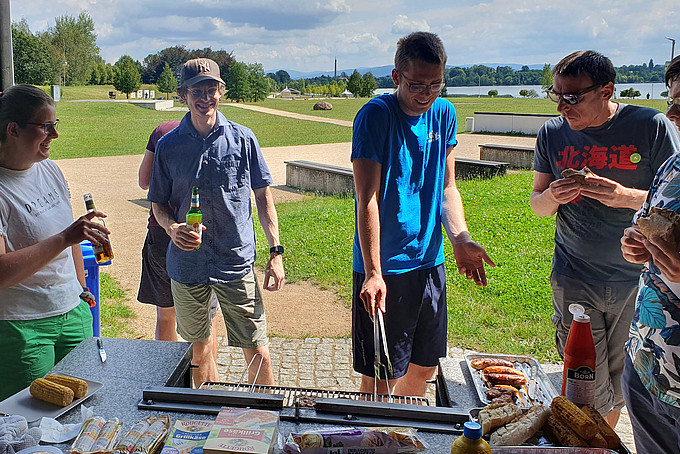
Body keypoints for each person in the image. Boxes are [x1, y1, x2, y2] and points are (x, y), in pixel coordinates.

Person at [530, 50, 680, 427]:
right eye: (557, 95)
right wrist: (553, 197)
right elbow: (538, 205)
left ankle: (598, 443)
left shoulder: (652, 125)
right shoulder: (552, 133)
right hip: (573, 273)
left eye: (573, 97)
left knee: (620, 379)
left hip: (637, 280)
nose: (563, 106)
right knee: (582, 380)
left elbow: (673, 201)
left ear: (607, 90)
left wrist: (622, 196)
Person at [351, 32, 495, 397]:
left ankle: (400, 433)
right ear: (397, 77)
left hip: (430, 261)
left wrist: (460, 237)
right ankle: (375, 437)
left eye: (435, 84)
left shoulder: (445, 113)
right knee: (382, 375)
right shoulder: (375, 116)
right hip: (387, 267)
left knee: (425, 367)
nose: (426, 94)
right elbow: (366, 199)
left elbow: (447, 188)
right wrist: (373, 272)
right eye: (416, 84)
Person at [148, 58, 285, 386]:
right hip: (187, 266)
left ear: (221, 91)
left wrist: (276, 253)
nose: (204, 97)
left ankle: (265, 417)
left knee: (258, 351)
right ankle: (204, 419)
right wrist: (171, 227)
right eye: (197, 90)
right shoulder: (168, 146)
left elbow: (264, 198)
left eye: (211, 89)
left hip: (234, 262)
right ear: (184, 94)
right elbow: (158, 204)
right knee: (199, 351)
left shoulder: (242, 138)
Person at [0, 85, 109, 400]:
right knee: (29, 424)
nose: (54, 135)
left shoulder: (49, 169)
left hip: (72, 312)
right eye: (46, 127)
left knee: (84, 405)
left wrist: (81, 286)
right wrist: (65, 237)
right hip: (22, 329)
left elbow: (72, 235)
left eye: (55, 126)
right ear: (13, 130)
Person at [620, 55, 680, 454]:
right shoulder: (673, 167)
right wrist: (635, 245)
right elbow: (646, 228)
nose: (672, 113)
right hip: (646, 364)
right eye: (672, 99)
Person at [137, 121, 220, 360]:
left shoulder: (161, 131)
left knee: (166, 314)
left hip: (162, 233)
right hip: (202, 234)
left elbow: (144, 181)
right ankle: (207, 382)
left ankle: (168, 382)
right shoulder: (216, 130)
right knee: (207, 318)